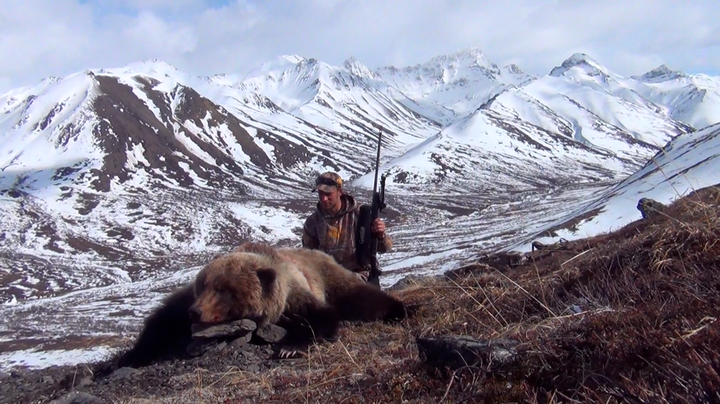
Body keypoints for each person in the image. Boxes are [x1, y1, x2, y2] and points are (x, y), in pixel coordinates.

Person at [302, 171, 392, 285]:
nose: (324, 199)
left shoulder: (361, 214)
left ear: (340, 192)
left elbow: (385, 248)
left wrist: (380, 235)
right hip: (329, 281)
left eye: (328, 194)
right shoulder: (312, 223)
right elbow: (308, 257)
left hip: (361, 277)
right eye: (320, 193)